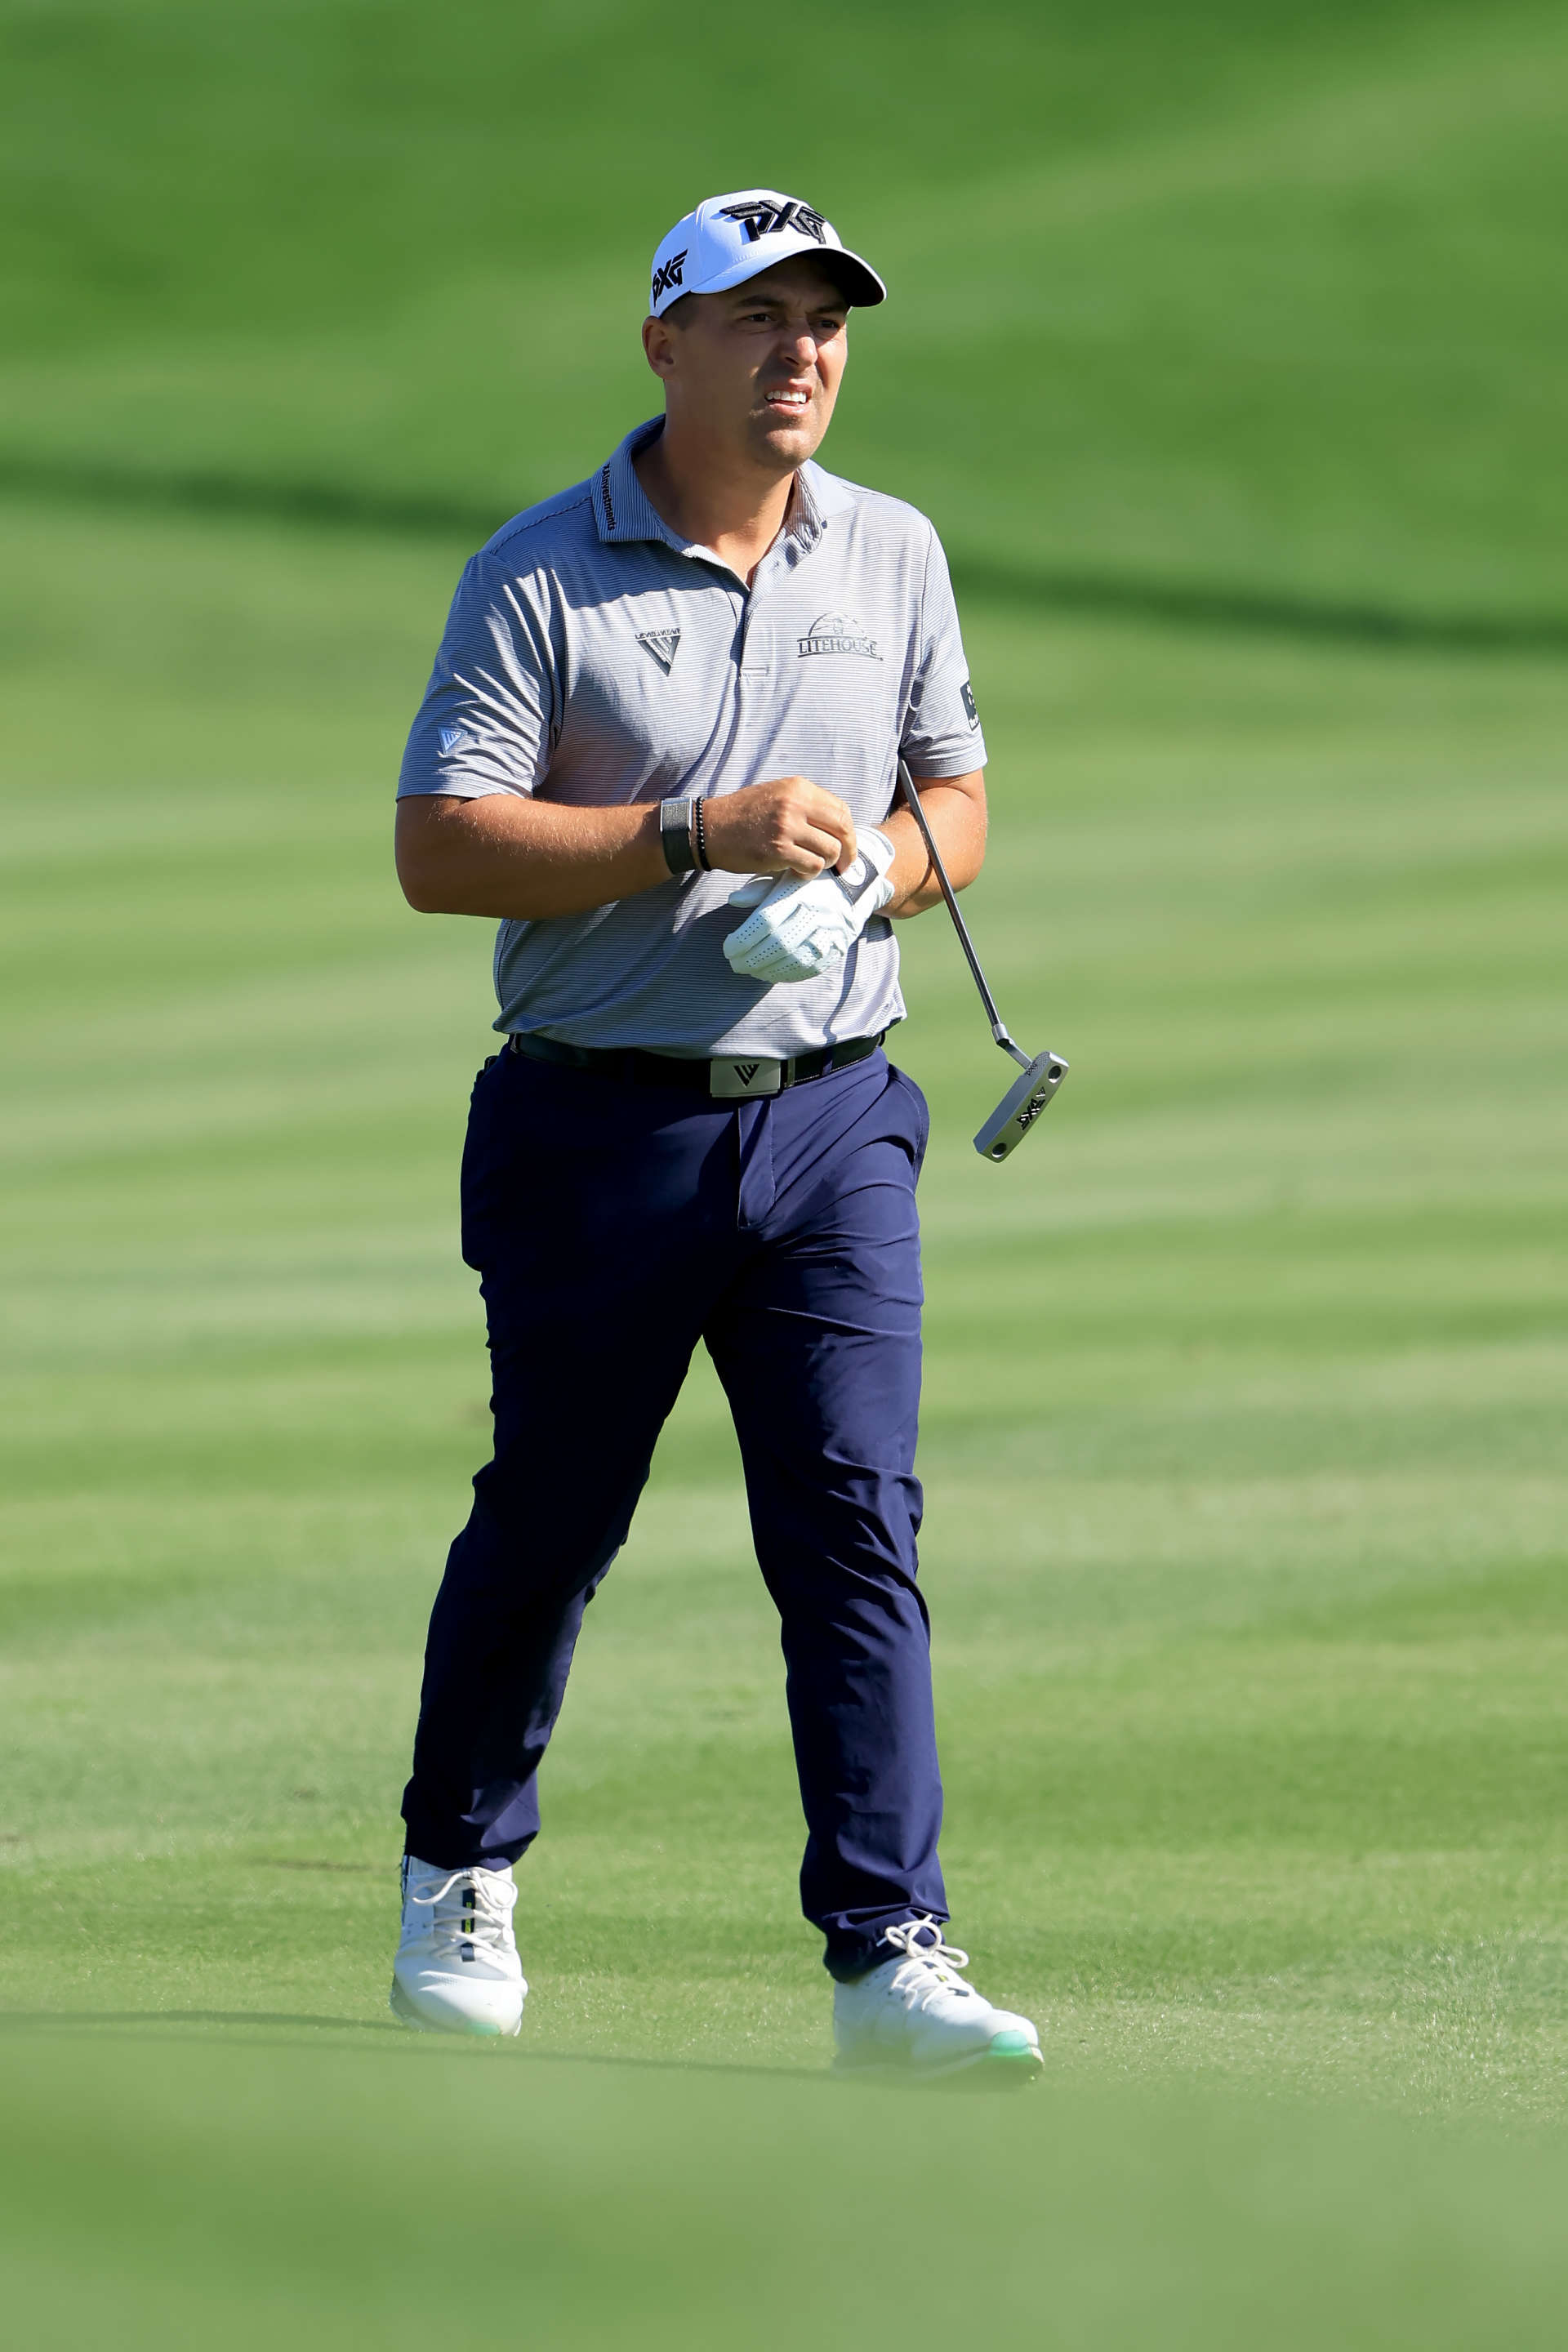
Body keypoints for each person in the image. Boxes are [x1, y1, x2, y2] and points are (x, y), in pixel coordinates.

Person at [388, 188, 1041, 2082]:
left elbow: (956, 801)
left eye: (825, 323)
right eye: (760, 319)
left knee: (853, 1520)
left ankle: (889, 1950)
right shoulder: (539, 574)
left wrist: (869, 886)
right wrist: (694, 834)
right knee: (556, 1516)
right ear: (666, 341)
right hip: (597, 1127)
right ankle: (460, 1864)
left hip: (834, 1120)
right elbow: (440, 846)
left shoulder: (892, 549)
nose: (802, 354)